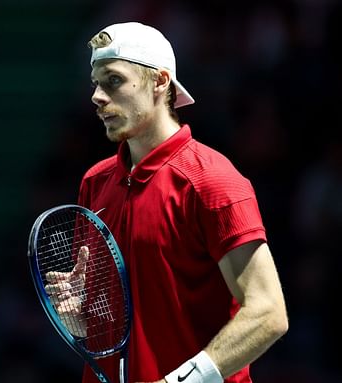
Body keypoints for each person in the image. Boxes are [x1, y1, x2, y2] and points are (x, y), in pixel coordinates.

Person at [47, 21, 288, 383]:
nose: (97, 96)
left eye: (113, 80)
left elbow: (268, 313)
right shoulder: (95, 183)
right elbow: (111, 323)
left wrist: (182, 381)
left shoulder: (212, 181)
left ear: (160, 82)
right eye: (96, 82)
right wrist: (78, 318)